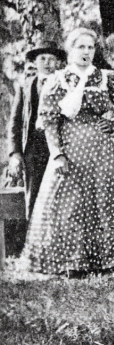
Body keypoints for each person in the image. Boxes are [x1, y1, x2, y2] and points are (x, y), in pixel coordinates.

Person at [22, 28, 114, 275]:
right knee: (70, 204)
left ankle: (107, 260)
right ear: (70, 51)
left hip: (100, 150)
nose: (85, 52)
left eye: (90, 47)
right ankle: (72, 262)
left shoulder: (106, 78)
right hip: (70, 148)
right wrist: (57, 154)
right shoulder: (58, 80)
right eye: (80, 47)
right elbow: (49, 120)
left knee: (106, 201)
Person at [6, 42, 65, 254]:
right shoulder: (26, 86)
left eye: (51, 59)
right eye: (42, 59)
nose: (47, 63)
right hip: (34, 150)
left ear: (58, 62)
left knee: (61, 196)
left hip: (59, 149)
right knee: (34, 197)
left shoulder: (66, 83)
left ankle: (60, 247)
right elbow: (14, 122)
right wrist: (14, 153)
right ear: (35, 62)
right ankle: (35, 249)